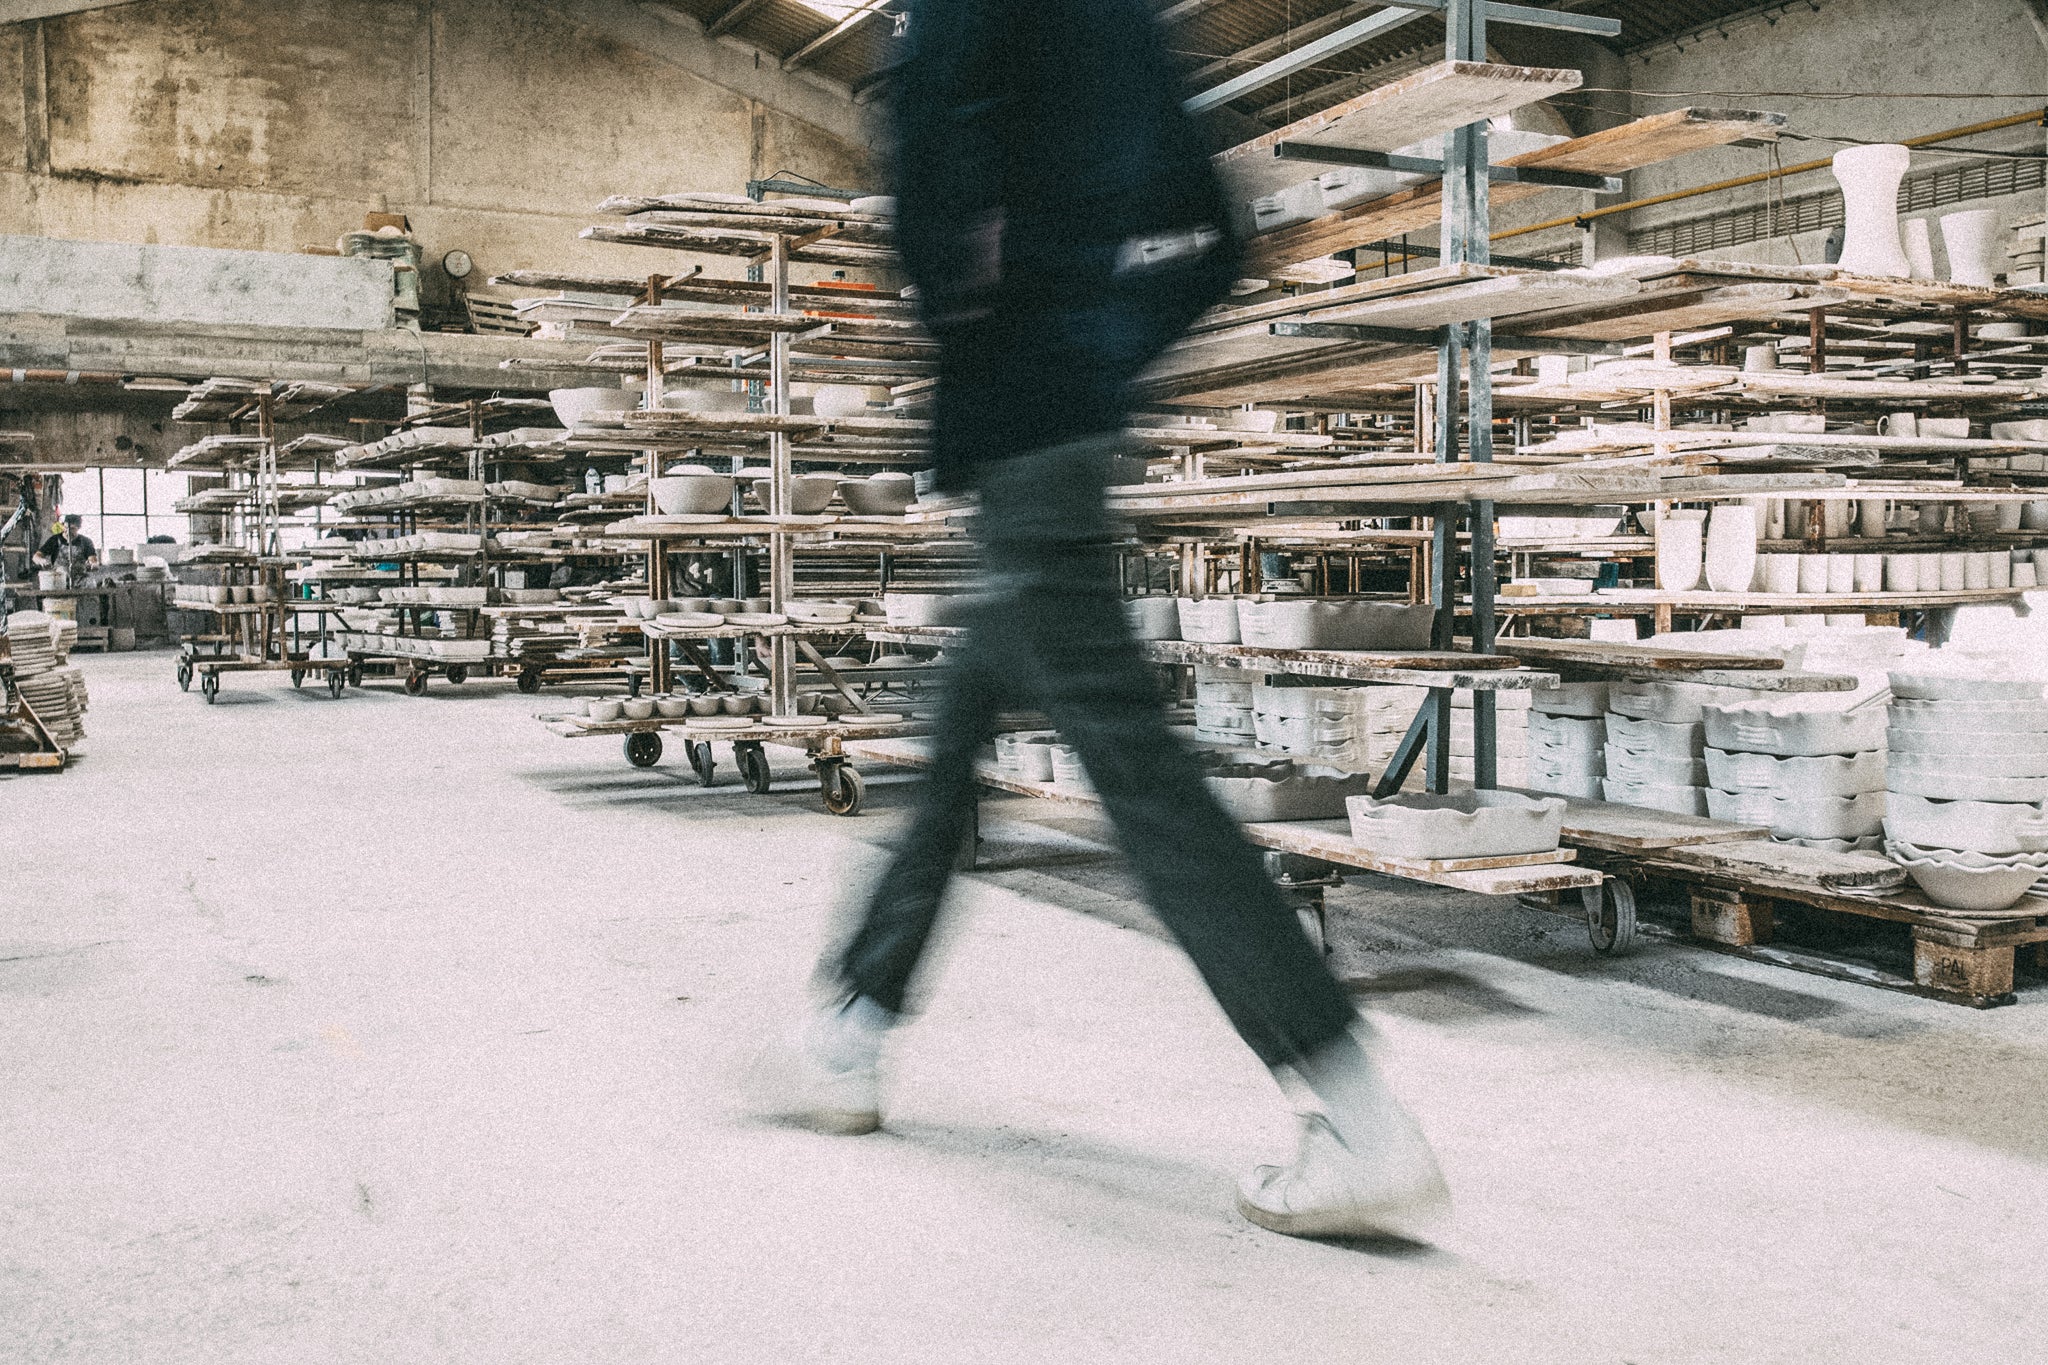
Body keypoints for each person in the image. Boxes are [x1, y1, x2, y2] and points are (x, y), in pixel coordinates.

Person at [764, 0, 1448, 1239]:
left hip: (1015, 434)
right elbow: (1221, 241)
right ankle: (851, 1029)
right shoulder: (1116, 20)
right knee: (955, 736)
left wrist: (1007, 344)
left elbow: (934, 216)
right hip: (1049, 431)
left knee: (1134, 769)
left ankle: (1352, 1107)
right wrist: (1101, 358)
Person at [33, 514, 98, 585]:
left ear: (79, 528)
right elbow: (36, 557)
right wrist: (42, 561)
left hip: (80, 580)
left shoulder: (86, 541)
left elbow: (93, 560)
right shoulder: (55, 540)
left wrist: (93, 565)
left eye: (72, 529)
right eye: (66, 527)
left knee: (91, 586)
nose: (67, 531)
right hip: (59, 579)